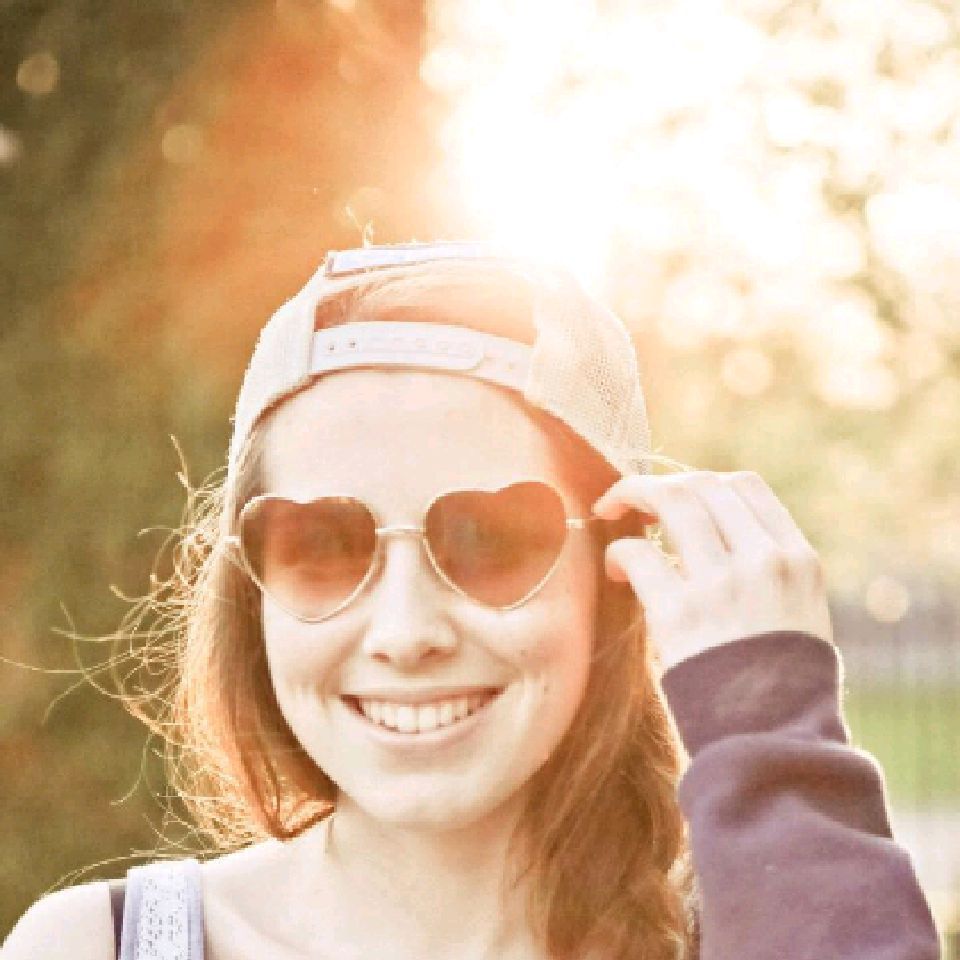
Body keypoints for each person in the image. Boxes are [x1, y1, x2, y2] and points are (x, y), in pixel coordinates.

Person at [4, 242, 939, 960]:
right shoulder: (93, 950)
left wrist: (770, 733)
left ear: (613, 580)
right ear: (250, 593)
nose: (406, 632)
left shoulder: (754, 934)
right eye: (323, 546)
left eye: (490, 541)